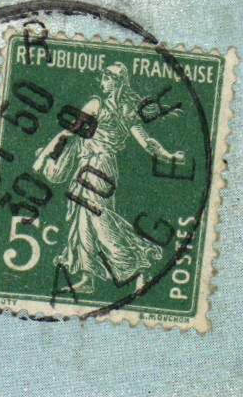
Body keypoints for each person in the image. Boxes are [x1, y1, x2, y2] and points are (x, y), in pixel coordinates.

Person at [31, 63, 182, 294]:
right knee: (83, 220)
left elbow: (69, 132)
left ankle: (137, 265)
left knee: (98, 220)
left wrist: (43, 156)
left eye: (106, 78)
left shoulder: (103, 106)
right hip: (91, 166)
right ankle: (87, 278)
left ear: (117, 82)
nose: (103, 83)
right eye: (103, 78)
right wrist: (167, 155)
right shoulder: (118, 109)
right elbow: (146, 143)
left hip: (98, 167)